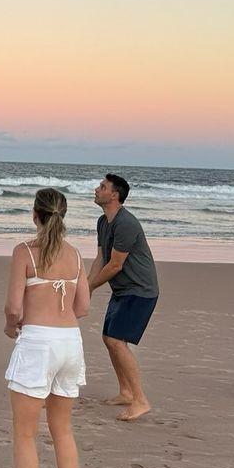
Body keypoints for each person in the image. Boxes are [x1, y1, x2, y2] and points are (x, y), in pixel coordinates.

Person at [0, 188, 90, 468]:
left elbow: (14, 307)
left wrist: (10, 326)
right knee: (62, 428)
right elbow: (82, 308)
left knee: (24, 433)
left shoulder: (25, 252)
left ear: (35, 215)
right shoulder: (76, 255)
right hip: (70, 343)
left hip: (38, 344)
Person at [88, 173, 159, 422]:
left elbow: (116, 265)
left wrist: (91, 288)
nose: (97, 189)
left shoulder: (125, 223)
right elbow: (101, 259)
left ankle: (141, 400)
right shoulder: (102, 222)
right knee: (109, 339)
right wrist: (87, 285)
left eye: (102, 187)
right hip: (122, 290)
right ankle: (126, 392)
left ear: (114, 195)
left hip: (140, 290)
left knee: (117, 341)